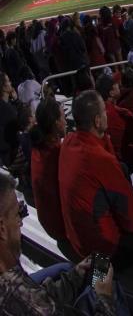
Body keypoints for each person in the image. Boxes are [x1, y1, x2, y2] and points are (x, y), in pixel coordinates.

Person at [0, 173, 121, 314]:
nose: (20, 222)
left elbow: (35, 295)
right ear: (2, 228)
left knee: (66, 269)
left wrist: (73, 278)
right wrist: (104, 297)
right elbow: (32, 301)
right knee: (112, 287)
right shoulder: (21, 299)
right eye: (17, 214)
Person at [59, 91, 133, 258]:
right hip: (103, 251)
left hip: (79, 241)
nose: (107, 113)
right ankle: (100, 281)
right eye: (104, 111)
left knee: (122, 169)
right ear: (97, 121)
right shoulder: (99, 159)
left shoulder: (69, 142)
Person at [29, 97, 67, 243]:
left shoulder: (38, 147)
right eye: (63, 117)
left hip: (49, 222)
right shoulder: (56, 155)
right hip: (61, 227)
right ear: (56, 123)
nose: (65, 122)